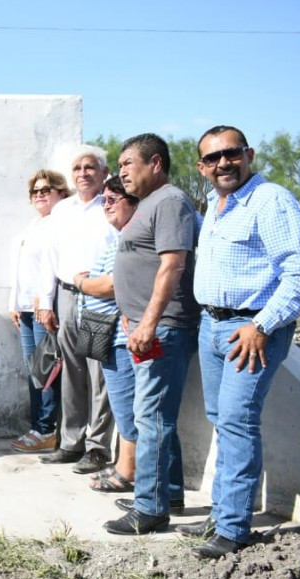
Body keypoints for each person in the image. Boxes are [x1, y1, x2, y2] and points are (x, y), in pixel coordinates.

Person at [185, 125, 300, 559]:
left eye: (231, 153)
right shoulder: (216, 204)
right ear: (201, 168)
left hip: (251, 331)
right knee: (222, 419)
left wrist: (262, 325)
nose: (223, 163)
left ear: (249, 154)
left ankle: (234, 528)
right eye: (212, 158)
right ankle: (224, 512)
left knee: (238, 422)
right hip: (213, 326)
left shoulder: (271, 201)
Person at [103, 133, 200, 536]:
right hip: (145, 324)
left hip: (162, 328)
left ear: (155, 163)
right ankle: (168, 493)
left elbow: (172, 266)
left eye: (128, 164)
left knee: (151, 416)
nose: (121, 171)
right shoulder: (147, 206)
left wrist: (147, 322)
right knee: (156, 414)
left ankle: (150, 508)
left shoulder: (171, 202)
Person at [36, 146, 117, 474]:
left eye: (90, 167)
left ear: (104, 171)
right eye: (78, 168)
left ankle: (97, 447)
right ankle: (71, 442)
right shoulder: (63, 210)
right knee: (71, 371)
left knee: (99, 373)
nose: (83, 173)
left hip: (101, 295)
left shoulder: (112, 205)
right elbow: (50, 257)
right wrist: (46, 301)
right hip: (67, 296)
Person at [71, 177, 139, 493]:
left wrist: (83, 283)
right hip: (110, 336)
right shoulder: (119, 239)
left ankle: (130, 471)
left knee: (128, 407)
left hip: (122, 335)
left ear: (134, 200)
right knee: (125, 408)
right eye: (105, 200)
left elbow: (112, 285)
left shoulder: (134, 240)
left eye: (114, 198)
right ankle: (126, 468)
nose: (107, 205)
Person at [8, 170, 69, 452]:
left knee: (46, 373)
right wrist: (14, 303)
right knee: (33, 372)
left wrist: (45, 302)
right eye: (35, 191)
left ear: (61, 193)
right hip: (26, 309)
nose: (40, 195)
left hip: (45, 309)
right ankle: (37, 428)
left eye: (47, 190)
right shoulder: (33, 226)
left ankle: (46, 430)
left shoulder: (60, 224)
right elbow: (21, 269)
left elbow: (55, 269)